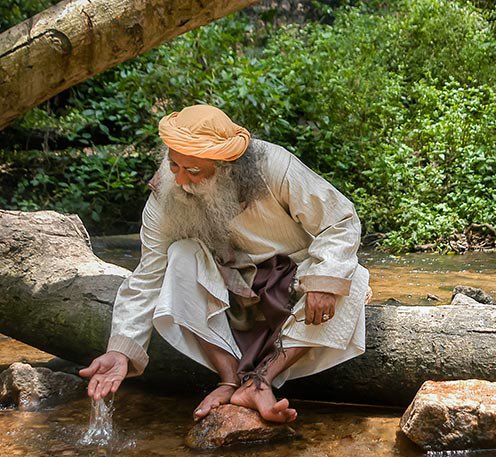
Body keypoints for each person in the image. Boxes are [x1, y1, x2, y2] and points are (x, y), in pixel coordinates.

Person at [79, 104, 369, 423]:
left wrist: (325, 280)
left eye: (193, 171)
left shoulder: (274, 165)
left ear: (226, 168)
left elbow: (339, 221)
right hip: (225, 297)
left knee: (350, 278)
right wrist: (122, 348)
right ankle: (229, 379)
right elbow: (149, 275)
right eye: (174, 164)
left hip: (293, 287)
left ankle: (260, 381)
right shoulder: (167, 192)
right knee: (181, 254)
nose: (179, 179)